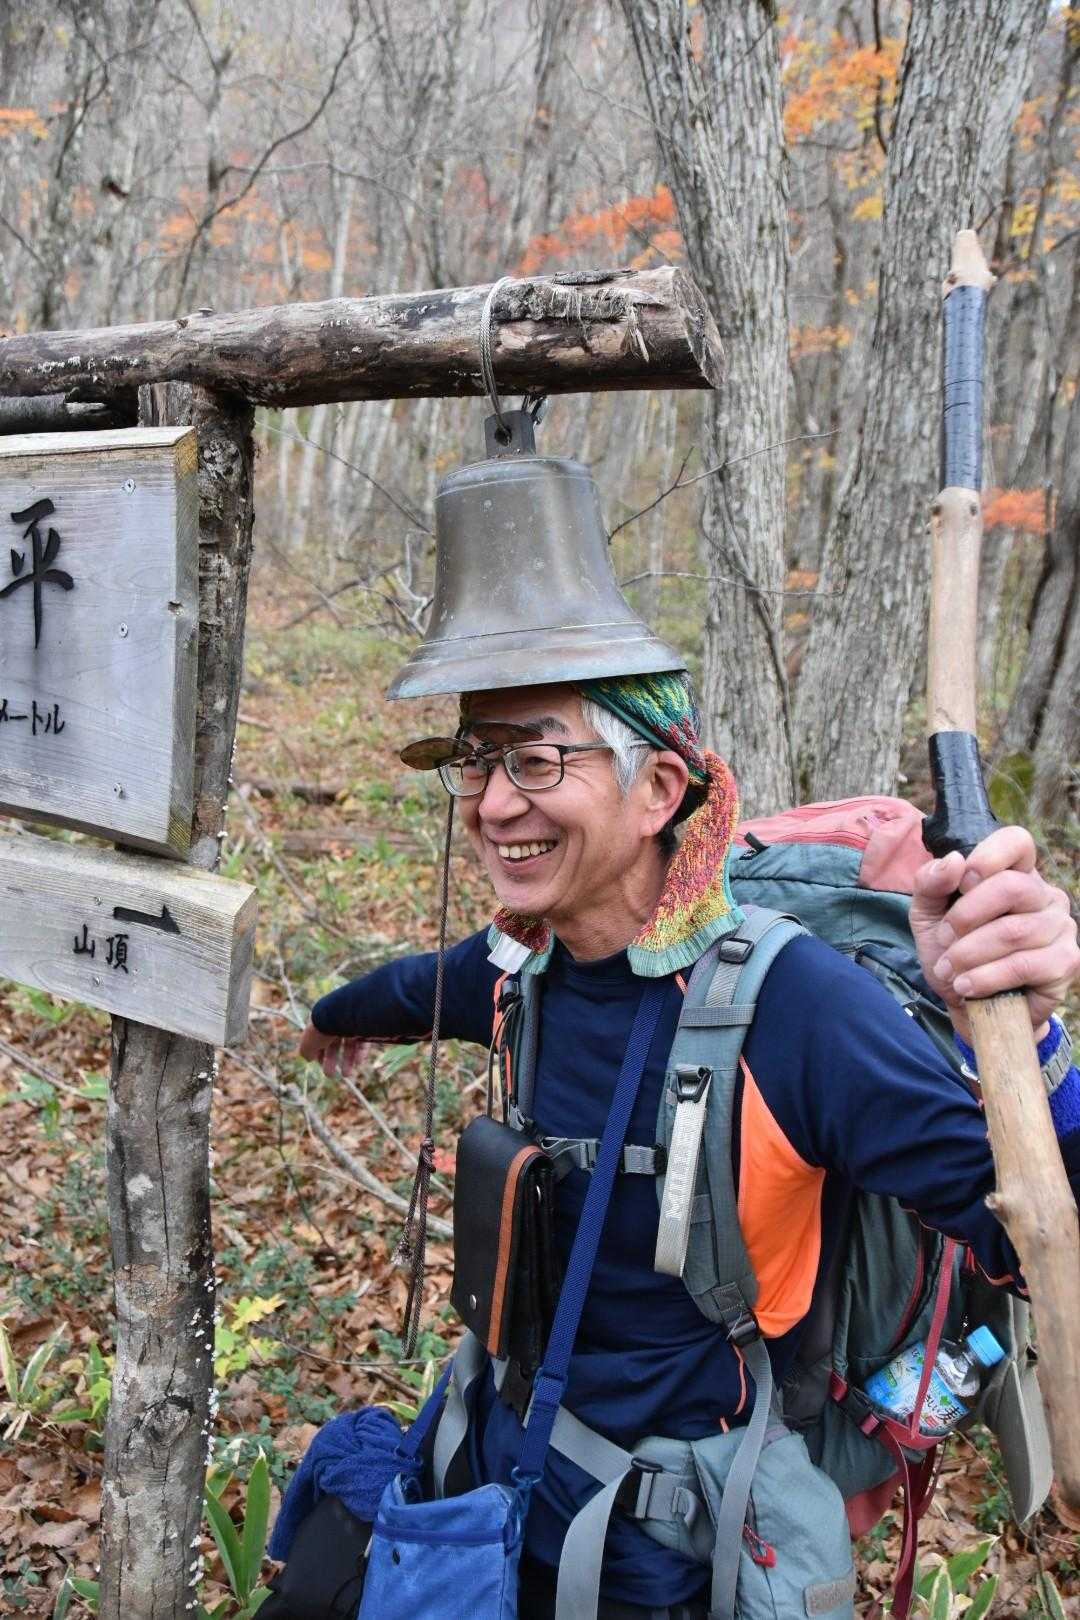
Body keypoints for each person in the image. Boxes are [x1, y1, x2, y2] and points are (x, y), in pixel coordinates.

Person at [298, 670, 1080, 1620]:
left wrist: (1028, 1043)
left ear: (660, 791)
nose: (495, 805)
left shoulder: (796, 1010)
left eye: (537, 761)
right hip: (491, 1476)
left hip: (659, 1555)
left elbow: (1043, 1238)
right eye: (477, 762)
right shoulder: (525, 960)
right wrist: (330, 1017)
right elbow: (420, 986)